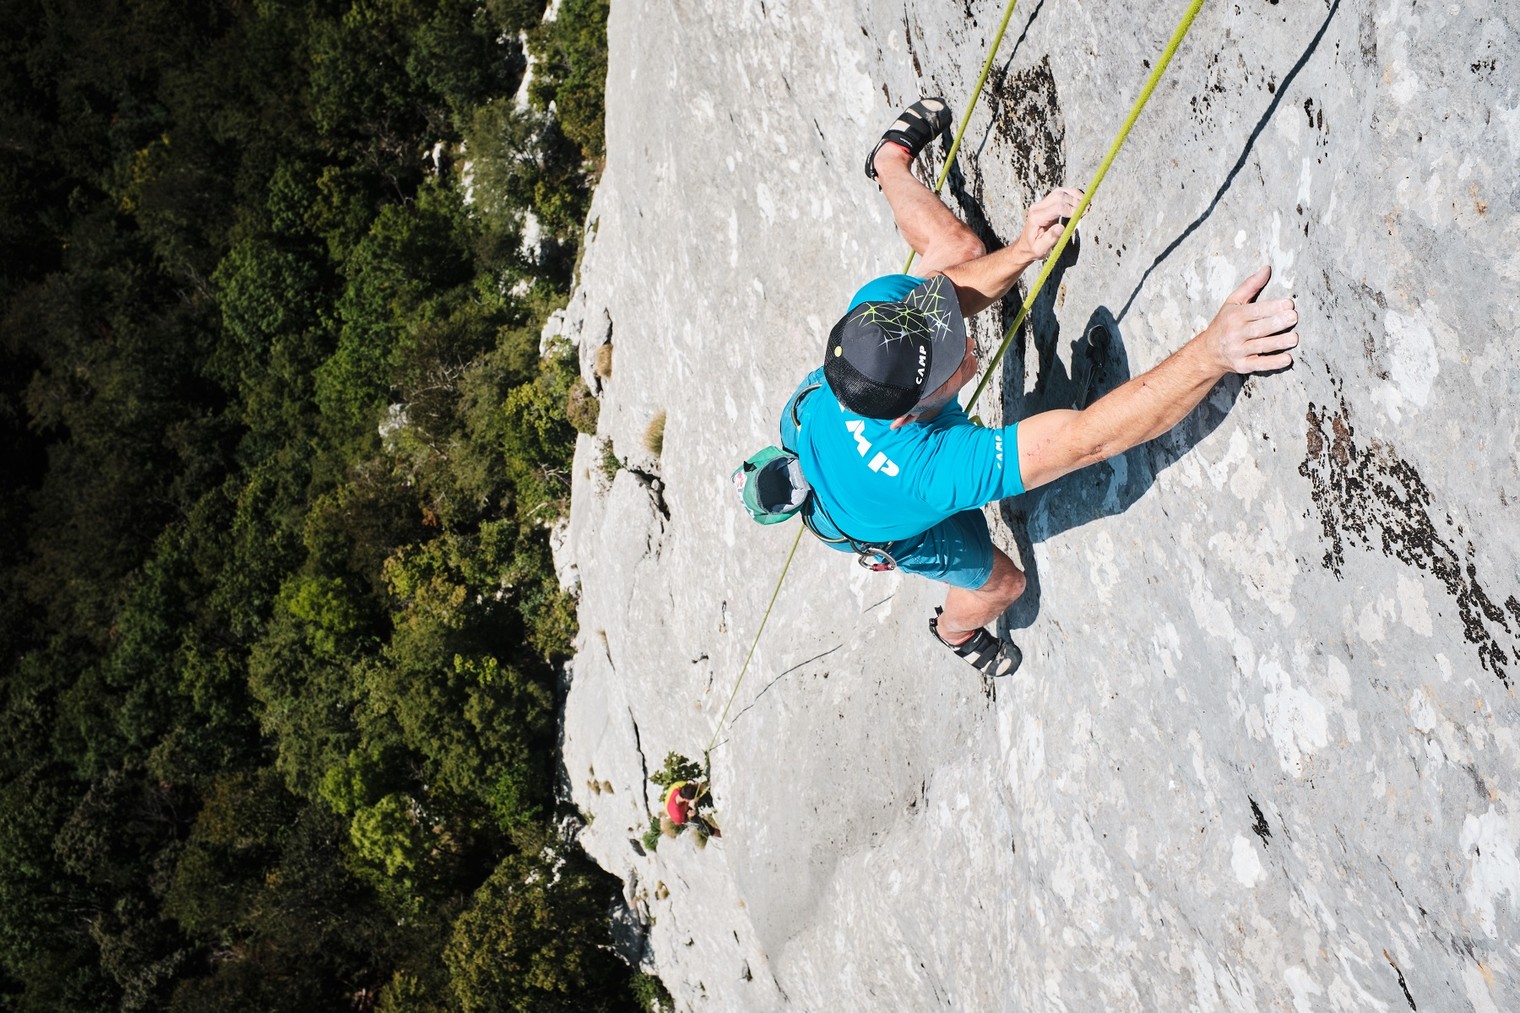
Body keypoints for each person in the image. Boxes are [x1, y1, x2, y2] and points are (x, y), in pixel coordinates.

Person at [781, 98, 1299, 677]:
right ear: (909, 414)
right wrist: (1212, 352)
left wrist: (1027, 248)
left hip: (819, 434)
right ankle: (954, 632)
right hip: (866, 521)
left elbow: (958, 289)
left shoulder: (874, 323)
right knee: (1005, 584)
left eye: (939, 326)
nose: (965, 340)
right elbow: (1090, 438)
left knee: (961, 254)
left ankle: (887, 161)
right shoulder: (936, 470)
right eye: (950, 356)